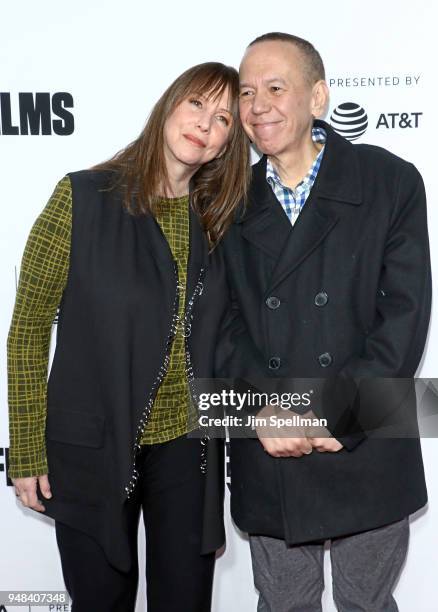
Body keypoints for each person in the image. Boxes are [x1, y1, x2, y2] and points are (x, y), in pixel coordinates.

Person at [7, 62, 250, 612]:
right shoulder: (81, 198)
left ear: (227, 143)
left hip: (189, 450)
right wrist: (24, 449)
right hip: (92, 444)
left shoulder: (218, 219)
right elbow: (27, 330)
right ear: (168, 105)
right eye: (195, 105)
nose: (204, 125)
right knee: (100, 601)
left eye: (222, 119)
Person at [217, 33, 431, 611]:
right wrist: (264, 409)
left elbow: (405, 318)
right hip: (272, 443)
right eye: (246, 92)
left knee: (367, 604)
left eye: (276, 88)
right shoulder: (223, 199)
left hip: (363, 438)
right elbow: (216, 326)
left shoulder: (390, 181)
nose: (258, 106)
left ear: (318, 98)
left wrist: (337, 410)